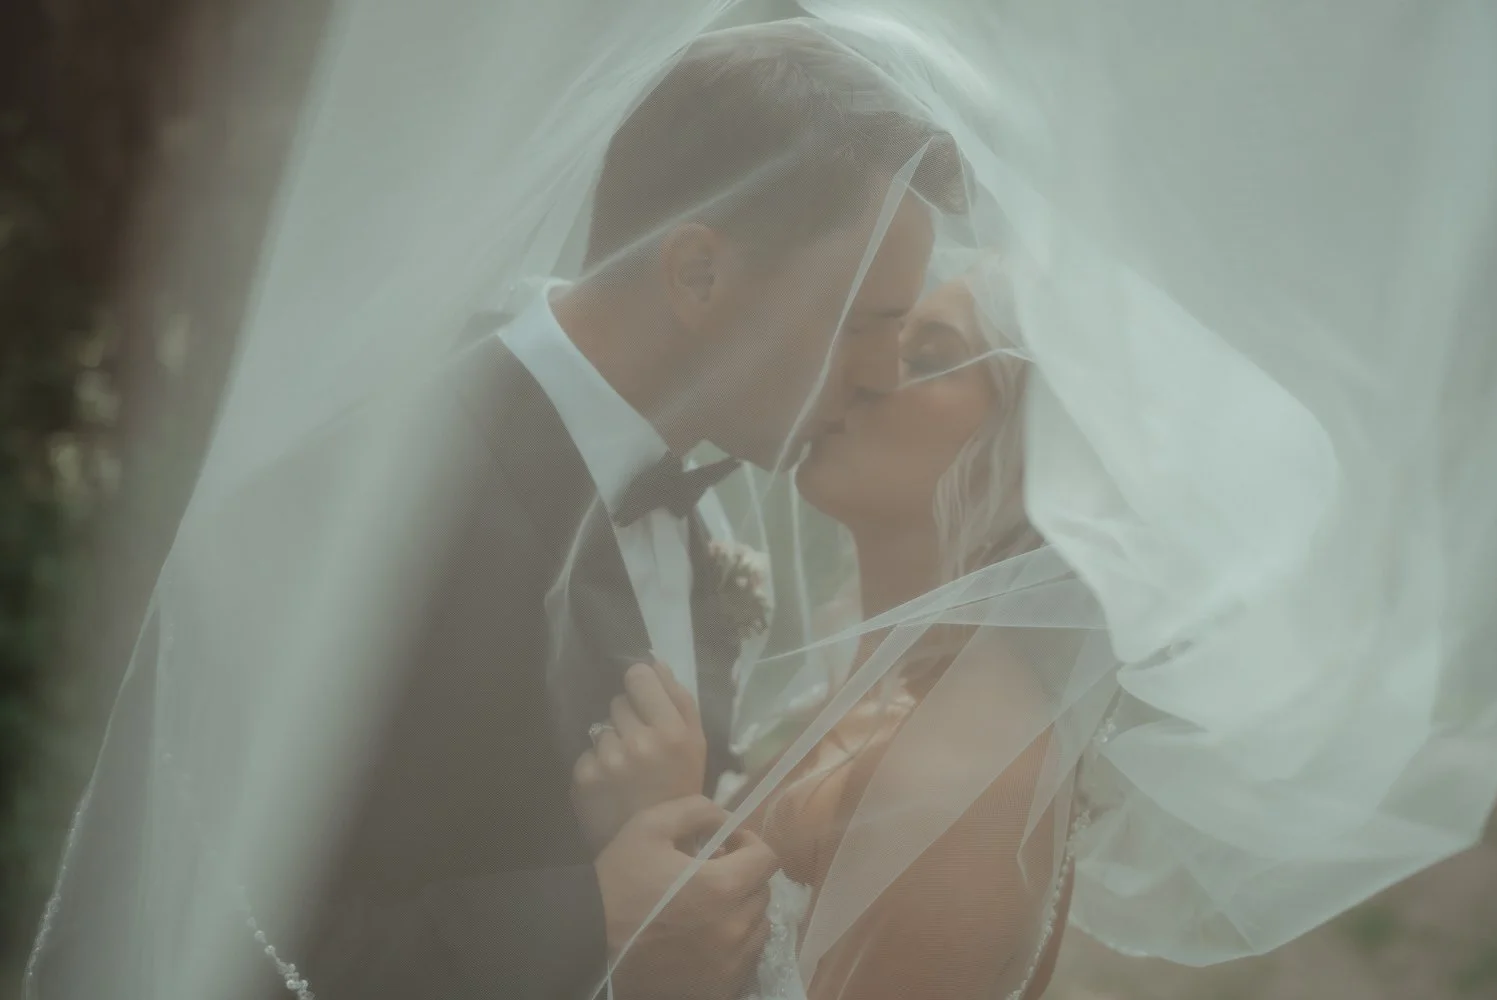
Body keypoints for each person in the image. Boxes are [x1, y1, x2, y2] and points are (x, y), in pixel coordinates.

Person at [23, 21, 964, 1000]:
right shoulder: (355, 512)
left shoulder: (693, 519)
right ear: (697, 274)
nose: (884, 375)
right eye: (864, 324)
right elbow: (184, 936)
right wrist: (593, 926)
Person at [573, 274, 1075, 999]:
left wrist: (657, 831)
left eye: (928, 359)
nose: (859, 372)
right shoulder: (881, 689)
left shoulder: (957, 775)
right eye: (872, 333)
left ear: (1041, 460)